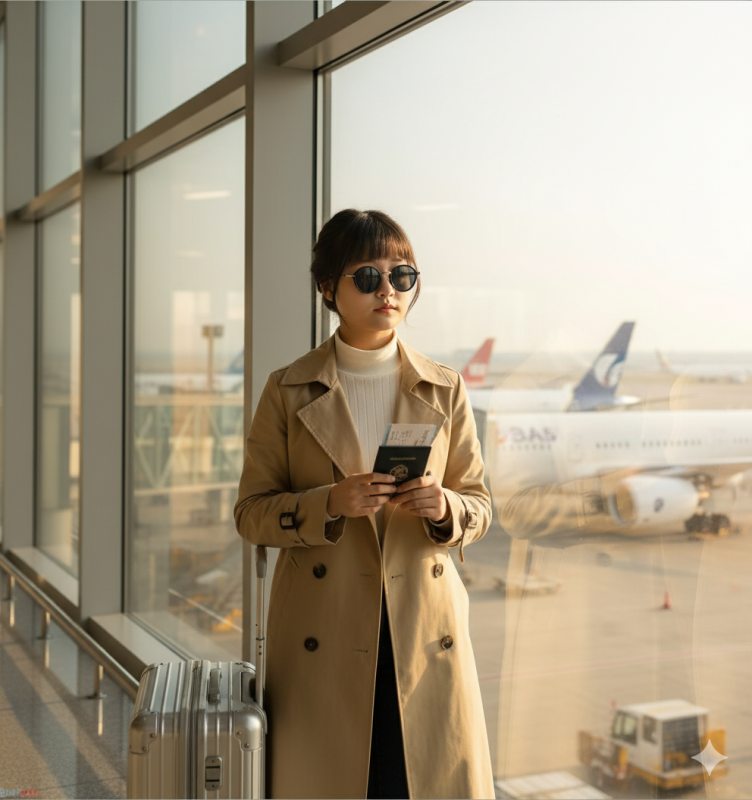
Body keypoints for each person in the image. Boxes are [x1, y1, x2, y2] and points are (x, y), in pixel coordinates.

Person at [234, 209, 495, 799]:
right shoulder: (287, 389)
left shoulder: (445, 387)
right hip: (322, 629)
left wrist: (444, 507)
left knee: (419, 778)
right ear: (329, 288)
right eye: (369, 276)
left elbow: (479, 505)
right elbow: (251, 512)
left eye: (402, 276)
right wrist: (329, 502)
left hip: (422, 630)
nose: (388, 291)